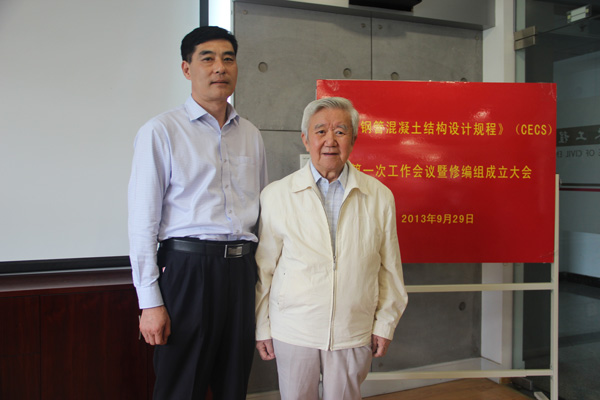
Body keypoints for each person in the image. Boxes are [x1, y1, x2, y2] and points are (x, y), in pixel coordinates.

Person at [128, 26, 268, 400]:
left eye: (228, 58)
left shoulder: (251, 134)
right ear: (187, 69)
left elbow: (262, 214)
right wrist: (150, 302)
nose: (220, 67)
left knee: (234, 384)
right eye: (207, 58)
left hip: (241, 271)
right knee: (181, 387)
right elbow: (142, 222)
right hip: (187, 271)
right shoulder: (161, 131)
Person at [255, 97, 408, 400]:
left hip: (353, 330)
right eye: (321, 131)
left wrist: (385, 324)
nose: (330, 141)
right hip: (294, 330)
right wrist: (262, 327)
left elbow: (390, 270)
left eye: (340, 131)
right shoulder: (276, 195)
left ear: (354, 139)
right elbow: (264, 270)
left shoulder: (379, 196)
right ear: (305, 139)